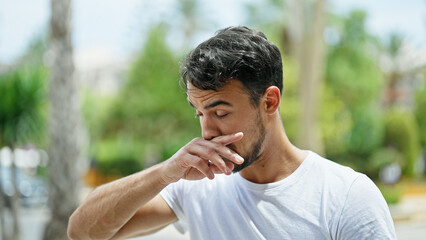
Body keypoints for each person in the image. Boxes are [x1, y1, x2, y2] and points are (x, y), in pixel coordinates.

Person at [67, 26, 396, 240]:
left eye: (220, 112)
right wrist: (165, 173)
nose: (207, 131)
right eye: (199, 113)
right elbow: (82, 231)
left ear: (269, 101)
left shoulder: (346, 197)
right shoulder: (197, 188)